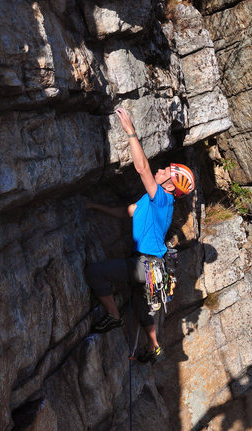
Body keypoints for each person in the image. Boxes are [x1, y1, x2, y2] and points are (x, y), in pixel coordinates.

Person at [85, 107, 194, 363]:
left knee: (95, 272)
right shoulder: (153, 201)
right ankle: (154, 347)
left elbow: (143, 168)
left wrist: (130, 132)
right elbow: (127, 212)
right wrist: (94, 207)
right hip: (151, 268)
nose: (162, 169)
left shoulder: (162, 199)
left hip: (145, 264)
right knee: (140, 304)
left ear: (171, 184)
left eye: (168, 171)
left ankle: (113, 316)